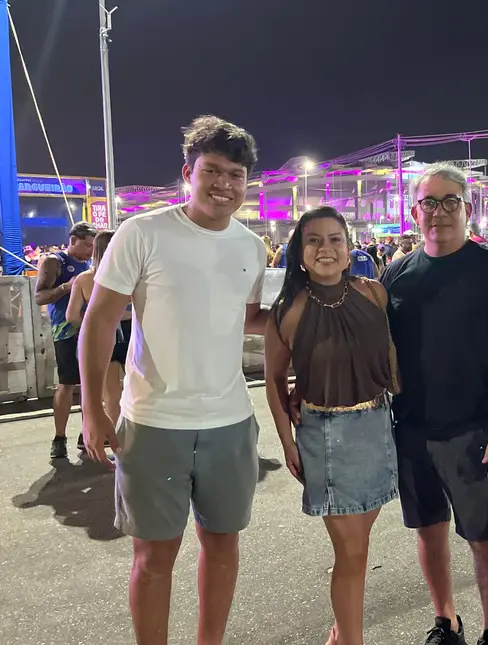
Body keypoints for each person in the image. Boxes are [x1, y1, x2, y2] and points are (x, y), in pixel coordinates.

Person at [78, 116, 268, 645]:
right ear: (188, 173)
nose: (224, 184)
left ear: (247, 182)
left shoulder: (251, 247)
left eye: (236, 175)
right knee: (154, 556)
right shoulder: (143, 233)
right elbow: (99, 321)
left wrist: (324, 312)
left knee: (223, 545)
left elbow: (251, 318)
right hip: (154, 422)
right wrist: (93, 409)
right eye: (212, 171)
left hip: (230, 420)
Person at [381, 163, 488, 645]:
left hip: (475, 428)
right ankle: (446, 620)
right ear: (414, 212)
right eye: (429, 202)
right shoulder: (397, 274)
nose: (439, 211)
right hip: (412, 427)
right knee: (428, 530)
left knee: (484, 537)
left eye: (450, 202)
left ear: (468, 209)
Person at [266, 207, 398, 645]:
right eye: (314, 240)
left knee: (360, 546)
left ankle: (342, 630)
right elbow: (273, 381)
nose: (326, 248)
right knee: (351, 551)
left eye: (335, 239)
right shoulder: (288, 309)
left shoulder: (374, 292)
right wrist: (287, 443)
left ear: (349, 247)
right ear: (299, 252)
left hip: (377, 425)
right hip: (325, 433)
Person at [35, 221, 97, 459]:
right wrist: (66, 287)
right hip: (66, 331)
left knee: (91, 386)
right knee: (67, 384)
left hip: (90, 330)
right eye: (87, 245)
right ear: (73, 240)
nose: (90, 251)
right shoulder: (55, 261)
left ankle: (86, 434)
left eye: (93, 247)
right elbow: (40, 297)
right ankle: (59, 438)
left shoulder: (92, 264)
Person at [66, 229, 130, 426]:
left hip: (102, 337)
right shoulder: (131, 276)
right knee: (142, 390)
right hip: (132, 337)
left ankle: (115, 440)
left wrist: (93, 324)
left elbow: (71, 316)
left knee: (111, 396)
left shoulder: (84, 279)